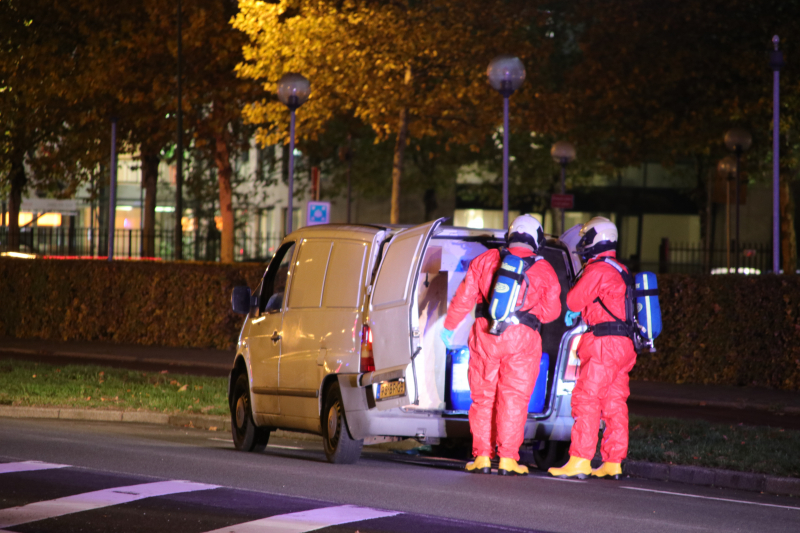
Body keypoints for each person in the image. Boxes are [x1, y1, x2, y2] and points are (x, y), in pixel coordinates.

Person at [441, 214, 561, 475]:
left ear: (510, 234)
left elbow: (464, 298)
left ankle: (482, 457)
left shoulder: (486, 260)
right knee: (514, 398)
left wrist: (449, 327)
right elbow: (552, 312)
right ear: (537, 239)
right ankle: (507, 459)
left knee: (483, 398)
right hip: (523, 338)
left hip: (486, 333)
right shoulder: (544, 269)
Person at [548, 216, 637, 480]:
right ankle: (613, 461)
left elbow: (574, 301)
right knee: (614, 403)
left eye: (586, 239)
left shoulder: (597, 270)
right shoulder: (621, 269)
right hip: (625, 345)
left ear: (597, 240)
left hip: (603, 345)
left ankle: (580, 460)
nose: (583, 244)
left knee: (587, 400)